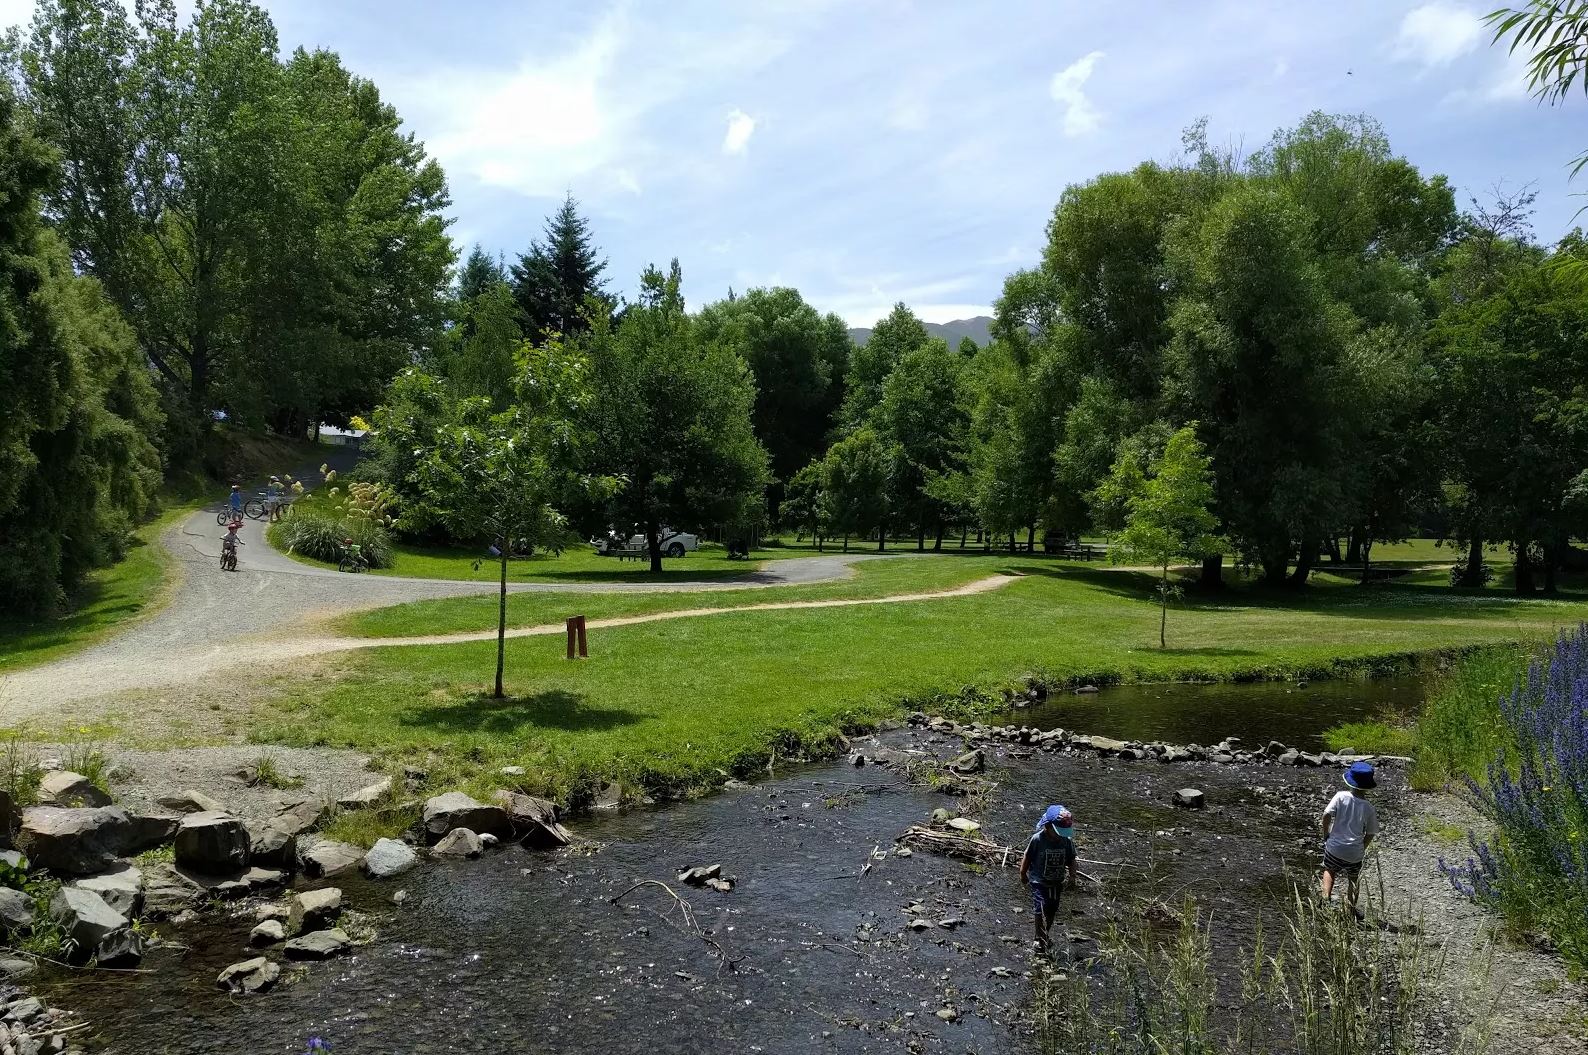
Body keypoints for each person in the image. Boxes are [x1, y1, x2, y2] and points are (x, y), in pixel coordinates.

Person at [1321, 761, 1379, 912]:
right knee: (1353, 880)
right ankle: (1351, 909)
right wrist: (1362, 847)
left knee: (1329, 870)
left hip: (1334, 847)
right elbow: (1371, 833)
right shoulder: (1369, 808)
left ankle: (1325, 898)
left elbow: (1326, 815)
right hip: (1354, 853)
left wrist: (1326, 833)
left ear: (1350, 782)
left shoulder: (1340, 796)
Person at [1018, 804, 1079, 948]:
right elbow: (1027, 856)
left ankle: (1044, 933)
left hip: (1056, 882)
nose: (1060, 835)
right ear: (1048, 826)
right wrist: (1022, 873)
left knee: (1051, 909)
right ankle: (1039, 938)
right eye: (1058, 831)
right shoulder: (1038, 839)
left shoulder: (1066, 841)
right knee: (1040, 908)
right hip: (1039, 881)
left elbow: (1071, 860)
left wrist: (1072, 877)